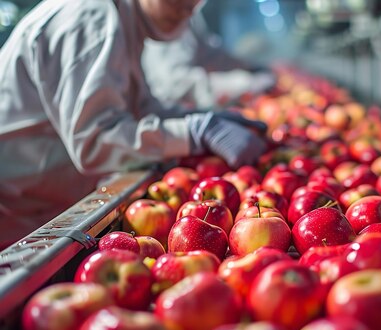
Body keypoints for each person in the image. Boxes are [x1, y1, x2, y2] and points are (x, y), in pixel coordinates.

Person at [0, 0, 267, 249]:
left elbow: (139, 107)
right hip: (15, 216)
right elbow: (94, 142)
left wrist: (204, 120)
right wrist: (192, 131)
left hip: (42, 204)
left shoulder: (122, 22)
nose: (188, 7)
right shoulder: (91, 18)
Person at [141, 6, 275, 109]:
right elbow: (175, 84)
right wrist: (245, 82)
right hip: (170, 119)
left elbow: (209, 53)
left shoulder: (191, 10)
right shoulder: (167, 10)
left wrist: (250, 66)